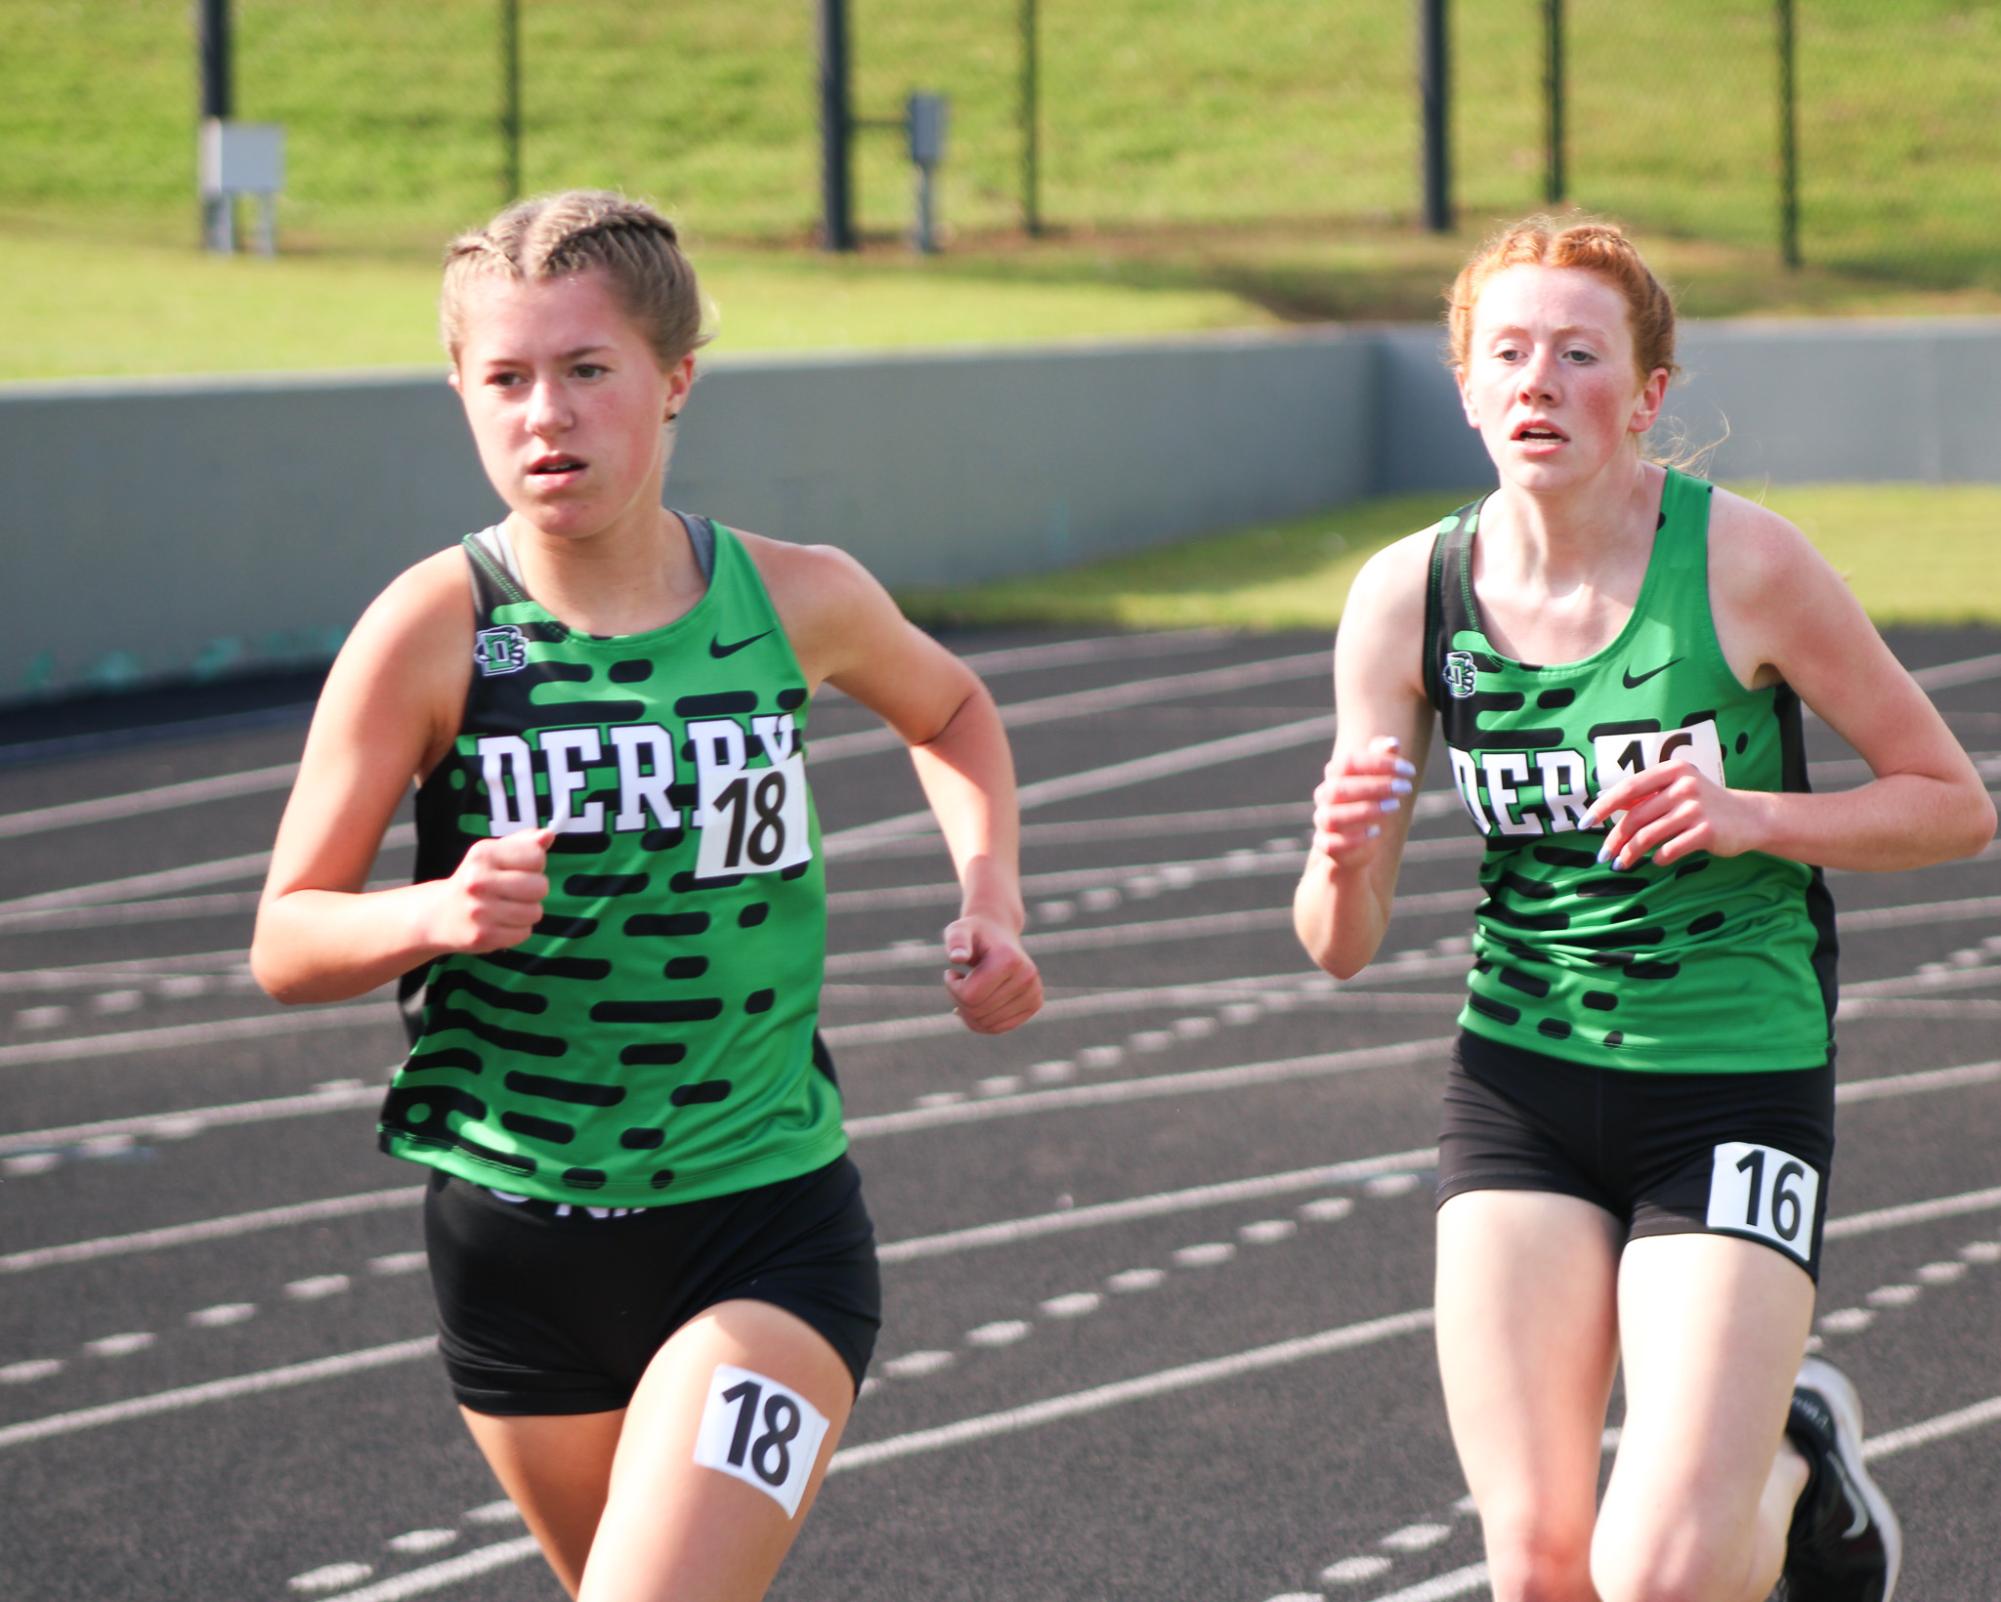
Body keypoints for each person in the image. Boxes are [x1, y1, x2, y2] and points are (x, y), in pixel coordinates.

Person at [251, 189, 1043, 1602]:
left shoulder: (792, 600)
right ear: (460, 392)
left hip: (764, 1225)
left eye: (585, 370)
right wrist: (430, 914)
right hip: (516, 1245)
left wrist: (993, 896)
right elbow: (287, 937)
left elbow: (955, 711)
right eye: (504, 378)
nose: (542, 413)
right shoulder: (435, 631)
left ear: (674, 380)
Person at [1293, 216, 1995, 1602]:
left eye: (1576, 353)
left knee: (1659, 1572)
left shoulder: (1744, 565)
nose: (1537, 381)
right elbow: (1337, 945)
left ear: (1649, 394)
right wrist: (1340, 851)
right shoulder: (1405, 598)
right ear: (1464, 388)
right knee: (1544, 1567)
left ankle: (1796, 1462)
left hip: (1730, 1081)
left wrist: (1751, 815)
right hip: (1520, 1084)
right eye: (1506, 352)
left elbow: (1951, 799)